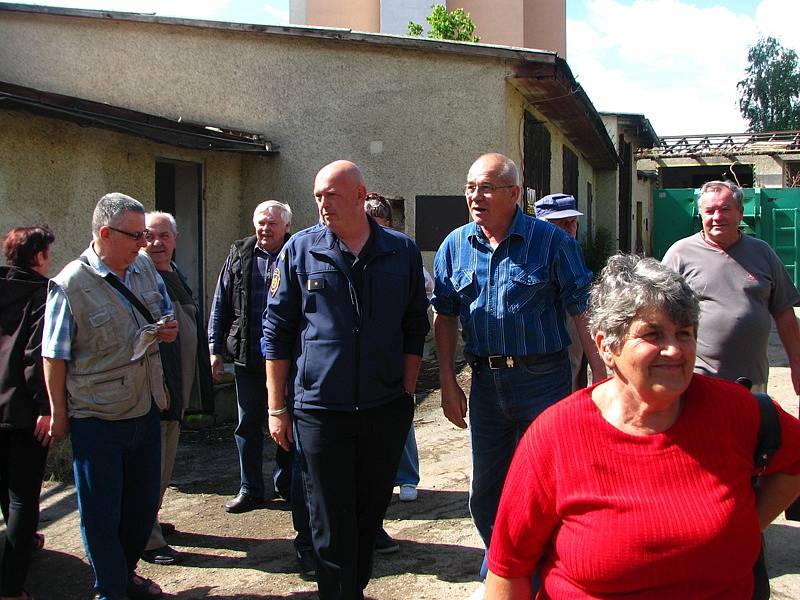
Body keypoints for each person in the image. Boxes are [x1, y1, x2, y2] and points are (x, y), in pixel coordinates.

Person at [485, 254, 800, 599]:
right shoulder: (555, 435)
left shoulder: (735, 411)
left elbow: (794, 463)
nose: (674, 350)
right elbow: (509, 569)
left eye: (684, 333)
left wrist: (746, 525)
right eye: (653, 334)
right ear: (606, 346)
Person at [431, 153, 606, 586]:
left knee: (548, 485)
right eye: (471, 187)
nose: (475, 196)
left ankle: (543, 572)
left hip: (542, 380)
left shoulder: (551, 242)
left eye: (486, 187)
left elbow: (582, 309)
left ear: (514, 194)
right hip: (486, 382)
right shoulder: (455, 245)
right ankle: (506, 573)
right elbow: (446, 315)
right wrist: (448, 381)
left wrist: (603, 376)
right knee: (486, 493)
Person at [263, 160, 429, 599]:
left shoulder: (401, 251)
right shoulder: (299, 251)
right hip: (320, 410)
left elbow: (416, 325)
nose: (322, 204)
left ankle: (351, 589)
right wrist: (276, 407)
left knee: (368, 511)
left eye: (331, 195)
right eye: (318, 196)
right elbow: (276, 332)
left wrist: (407, 391)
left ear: (360, 195)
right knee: (328, 517)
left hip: (383, 406)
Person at [42, 193, 178, 600]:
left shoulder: (141, 268)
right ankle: (111, 589)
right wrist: (58, 414)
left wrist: (166, 328)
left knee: (139, 513)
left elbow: (162, 307)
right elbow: (55, 355)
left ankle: (126, 570)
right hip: (97, 418)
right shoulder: (69, 285)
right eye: (135, 235)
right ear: (105, 233)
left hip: (145, 407)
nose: (144, 243)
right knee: (102, 513)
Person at [662, 180, 800, 393]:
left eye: (725, 209)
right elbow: (658, 314)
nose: (717, 217)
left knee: (752, 426)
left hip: (752, 381)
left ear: (740, 213)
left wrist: (797, 363)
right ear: (701, 215)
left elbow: (785, 314)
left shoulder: (763, 253)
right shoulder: (680, 254)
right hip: (696, 379)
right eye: (710, 211)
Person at [208, 200, 293, 513]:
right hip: (248, 358)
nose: (264, 228)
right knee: (248, 425)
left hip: (288, 360)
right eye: (260, 222)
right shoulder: (240, 254)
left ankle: (286, 484)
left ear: (286, 226)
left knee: (289, 423)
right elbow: (220, 303)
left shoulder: (296, 252)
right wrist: (214, 349)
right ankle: (250, 488)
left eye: (272, 223)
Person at [141, 211, 215, 566]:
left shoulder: (172, 271)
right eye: (149, 236)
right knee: (151, 463)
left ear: (175, 239)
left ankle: (150, 520)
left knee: (164, 462)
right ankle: (147, 538)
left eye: (163, 236)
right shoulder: (141, 275)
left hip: (177, 388)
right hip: (159, 388)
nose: (157, 243)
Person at [0, 226, 54, 600]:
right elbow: (38, 356)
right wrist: (47, 408)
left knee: (7, 488)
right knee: (23, 498)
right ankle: (11, 587)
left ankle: (25, 544)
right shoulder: (43, 293)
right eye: (48, 252)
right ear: (38, 257)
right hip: (21, 412)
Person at [534, 193, 593, 391]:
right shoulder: (529, 254)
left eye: (573, 222)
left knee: (573, 373)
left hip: (571, 327)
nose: (569, 229)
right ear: (543, 225)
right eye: (562, 223)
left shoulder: (573, 250)